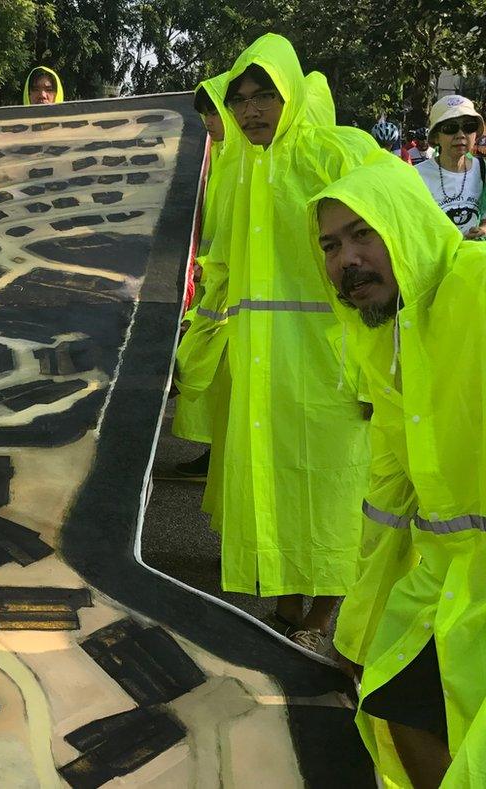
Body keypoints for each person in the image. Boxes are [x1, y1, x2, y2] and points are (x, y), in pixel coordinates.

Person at [312, 152, 486, 789]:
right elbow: (389, 498)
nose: (346, 260)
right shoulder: (379, 342)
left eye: (364, 234)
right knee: (393, 704)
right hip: (452, 580)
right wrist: (355, 629)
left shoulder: (478, 286)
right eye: (331, 245)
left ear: (409, 224)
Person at [206, 34, 376, 652]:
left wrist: (372, 365)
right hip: (260, 354)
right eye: (241, 98)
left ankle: (324, 616)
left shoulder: (336, 154)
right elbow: (219, 264)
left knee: (334, 482)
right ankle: (283, 605)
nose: (252, 110)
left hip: (330, 351)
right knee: (274, 476)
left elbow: (384, 256)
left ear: (292, 95)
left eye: (265, 96)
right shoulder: (236, 172)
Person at [162, 75, 234, 483]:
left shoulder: (238, 160)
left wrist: (206, 264)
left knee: (210, 376)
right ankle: (216, 452)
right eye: (204, 111)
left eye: (214, 109)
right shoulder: (215, 156)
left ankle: (218, 454)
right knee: (205, 379)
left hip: (224, 287)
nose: (209, 119)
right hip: (205, 284)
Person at [414, 95, 486, 240]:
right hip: (436, 261)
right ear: (435, 137)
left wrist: (482, 230)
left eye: (468, 126)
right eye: (450, 128)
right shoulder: (416, 175)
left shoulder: (483, 169)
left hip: (473, 260)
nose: (460, 135)